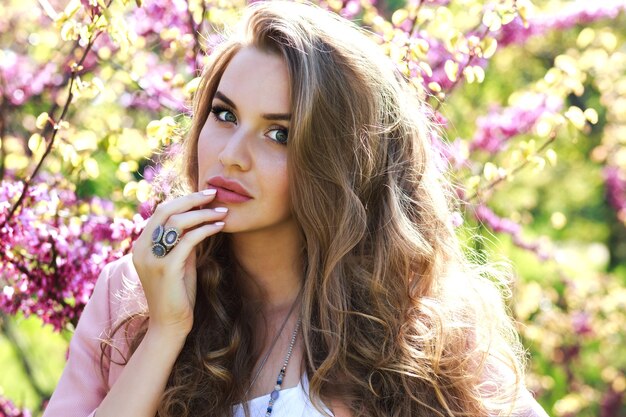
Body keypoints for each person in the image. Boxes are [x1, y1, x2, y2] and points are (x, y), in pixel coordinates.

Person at [42, 2, 550, 417]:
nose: (232, 154)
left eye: (279, 133)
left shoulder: (422, 320)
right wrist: (164, 333)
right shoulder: (128, 296)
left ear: (341, 161)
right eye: (224, 115)